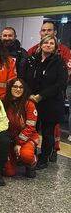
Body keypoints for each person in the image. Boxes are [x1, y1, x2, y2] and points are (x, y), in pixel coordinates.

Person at [26, 20, 71, 162]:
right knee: (31, 129)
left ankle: (45, 157)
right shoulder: (33, 58)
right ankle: (29, 153)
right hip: (33, 101)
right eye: (46, 42)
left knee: (47, 132)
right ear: (41, 43)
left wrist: (41, 96)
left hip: (50, 102)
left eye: (51, 43)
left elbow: (61, 83)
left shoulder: (60, 61)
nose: (48, 45)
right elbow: (27, 78)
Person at [3, 79, 38, 178]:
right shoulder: (3, 102)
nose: (18, 89)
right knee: (9, 173)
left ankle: (32, 162)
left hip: (27, 138)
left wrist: (19, 143)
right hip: (9, 139)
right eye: (15, 86)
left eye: (21, 87)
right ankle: (14, 158)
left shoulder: (29, 104)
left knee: (26, 155)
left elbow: (30, 127)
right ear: (10, 88)